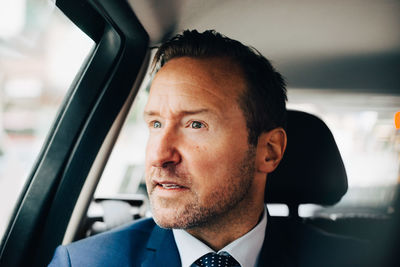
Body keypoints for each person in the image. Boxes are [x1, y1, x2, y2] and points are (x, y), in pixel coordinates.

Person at [49, 30, 369, 267]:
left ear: (268, 151)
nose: (159, 156)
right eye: (156, 124)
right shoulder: (83, 263)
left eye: (196, 125)